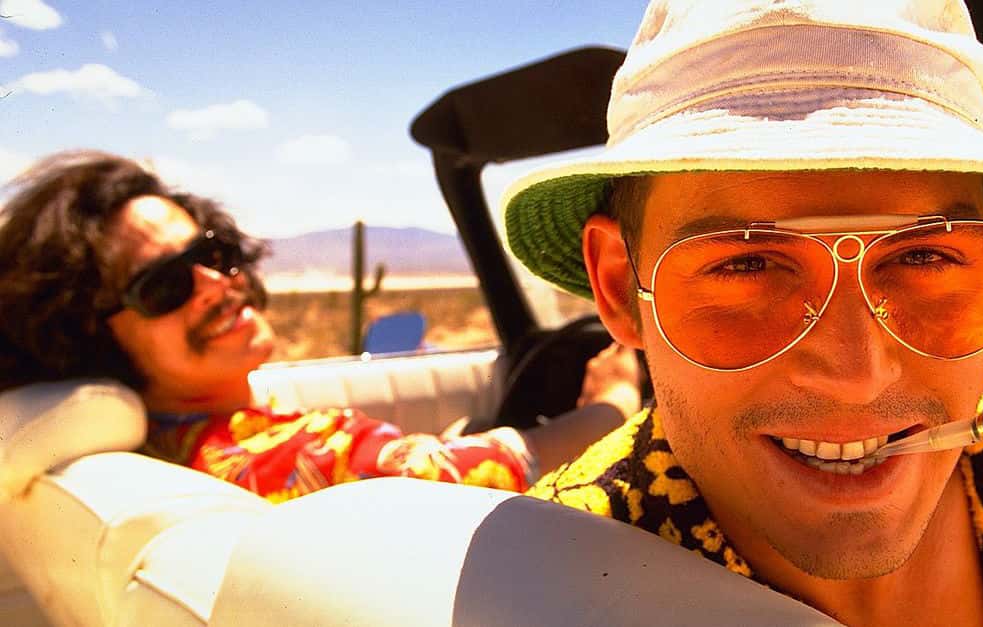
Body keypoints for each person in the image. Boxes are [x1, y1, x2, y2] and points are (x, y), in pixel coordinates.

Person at [505, 1, 983, 625]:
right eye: (747, 265)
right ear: (620, 287)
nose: (858, 377)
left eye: (925, 257)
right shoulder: (539, 591)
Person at [0, 150, 641, 502]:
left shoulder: (179, 452)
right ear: (90, 335)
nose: (215, 282)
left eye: (212, 253)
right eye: (164, 284)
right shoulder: (288, 457)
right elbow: (472, 472)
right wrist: (611, 403)